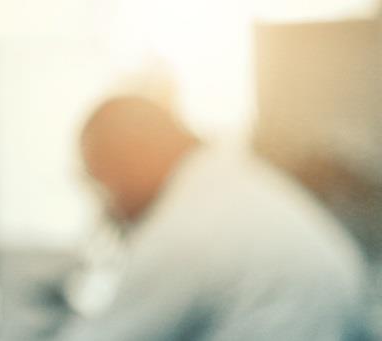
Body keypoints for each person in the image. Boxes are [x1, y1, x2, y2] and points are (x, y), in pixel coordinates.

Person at [58, 94, 370, 341]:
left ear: (133, 157)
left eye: (104, 180)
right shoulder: (235, 187)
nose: (109, 204)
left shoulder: (185, 226)